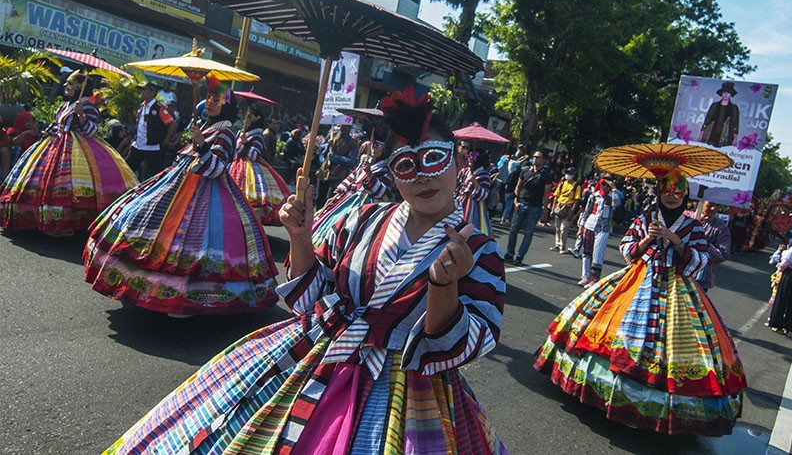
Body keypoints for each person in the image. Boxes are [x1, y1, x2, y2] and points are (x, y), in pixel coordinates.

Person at [100, 85, 507, 454]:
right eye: (405, 166)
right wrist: (299, 236)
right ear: (392, 174)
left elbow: (456, 348)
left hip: (406, 386)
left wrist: (443, 284)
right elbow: (312, 296)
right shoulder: (362, 219)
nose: (421, 177)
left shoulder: (479, 250)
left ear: (457, 159)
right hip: (317, 350)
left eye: (433, 159)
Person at [534, 169, 747, 436]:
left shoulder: (693, 226)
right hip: (638, 278)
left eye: (678, 192)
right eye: (667, 191)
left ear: (685, 196)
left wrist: (675, 240)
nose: (672, 196)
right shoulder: (647, 217)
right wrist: (648, 238)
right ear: (659, 192)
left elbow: (700, 262)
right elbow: (628, 251)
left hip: (676, 286)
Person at [85, 78, 279, 316]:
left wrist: (201, 146)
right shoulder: (208, 127)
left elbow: (217, 167)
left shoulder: (226, 134)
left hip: (206, 196)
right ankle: (139, 285)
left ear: (226, 107)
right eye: (209, 98)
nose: (210, 103)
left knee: (196, 243)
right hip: (177, 187)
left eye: (216, 100)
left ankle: (187, 298)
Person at [0, 71, 137, 235]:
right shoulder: (65, 105)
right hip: (54, 144)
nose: (66, 87)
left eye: (70, 84)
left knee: (66, 184)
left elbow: (91, 130)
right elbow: (56, 124)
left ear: (80, 87)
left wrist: (81, 114)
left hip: (78, 149)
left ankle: (64, 223)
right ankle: (41, 219)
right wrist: (43, 134)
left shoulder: (87, 106)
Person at [312, 129, 393, 247]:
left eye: (378, 145)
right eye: (372, 144)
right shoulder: (365, 162)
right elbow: (352, 178)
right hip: (350, 200)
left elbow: (383, 192)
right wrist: (337, 197)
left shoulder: (386, 169)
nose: (373, 148)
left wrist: (369, 174)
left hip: (369, 208)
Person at [228, 105, 290, 225]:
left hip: (249, 169)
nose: (245, 120)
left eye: (248, 117)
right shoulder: (242, 133)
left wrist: (245, 142)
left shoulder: (258, 136)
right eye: (245, 117)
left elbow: (253, 155)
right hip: (235, 165)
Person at [505, 150, 551, 266]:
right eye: (534, 157)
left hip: (534, 207)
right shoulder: (525, 171)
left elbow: (546, 195)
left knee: (528, 233)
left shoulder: (546, 176)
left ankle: (520, 256)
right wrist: (516, 201)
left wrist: (545, 211)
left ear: (544, 160)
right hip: (521, 204)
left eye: (539, 157)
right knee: (513, 230)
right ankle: (510, 253)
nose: (536, 159)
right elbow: (518, 187)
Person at [126, 81, 176, 181]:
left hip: (152, 148)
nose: (142, 92)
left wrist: (166, 140)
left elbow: (172, 123)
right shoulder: (141, 107)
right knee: (127, 169)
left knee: (155, 176)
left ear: (152, 92)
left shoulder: (158, 108)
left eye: (144, 90)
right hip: (138, 145)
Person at [576, 174, 620, 286]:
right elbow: (586, 211)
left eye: (608, 185)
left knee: (598, 254)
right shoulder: (594, 196)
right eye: (603, 184)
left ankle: (594, 278)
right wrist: (581, 227)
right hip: (589, 225)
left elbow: (618, 203)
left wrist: (613, 187)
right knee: (586, 252)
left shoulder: (613, 196)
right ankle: (585, 276)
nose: (605, 187)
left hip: (603, 228)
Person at [315, 123, 358, 209]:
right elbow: (321, 152)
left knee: (330, 199)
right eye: (344, 125)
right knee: (319, 197)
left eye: (348, 126)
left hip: (338, 174)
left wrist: (334, 157)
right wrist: (327, 147)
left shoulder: (352, 143)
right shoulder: (331, 136)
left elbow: (351, 161)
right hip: (324, 172)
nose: (345, 128)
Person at [767, 230, 792, 336]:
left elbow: (784, 262)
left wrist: (780, 270)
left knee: (782, 299)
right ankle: (789, 328)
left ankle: (777, 324)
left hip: (789, 274)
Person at [694, 201, 731, 291]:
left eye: (717, 205)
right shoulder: (684, 217)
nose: (713, 208)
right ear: (700, 203)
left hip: (700, 277)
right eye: (710, 205)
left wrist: (705, 244)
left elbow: (723, 254)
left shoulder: (720, 228)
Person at [456, 147, 493, 237]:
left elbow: (484, 195)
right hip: (459, 203)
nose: (469, 159)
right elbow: (456, 187)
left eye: (472, 157)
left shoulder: (484, 175)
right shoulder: (464, 171)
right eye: (469, 156)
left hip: (474, 206)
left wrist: (475, 182)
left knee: (471, 232)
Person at [550, 166, 581, 254]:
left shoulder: (576, 186)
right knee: (557, 227)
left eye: (570, 173)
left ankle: (562, 247)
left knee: (564, 228)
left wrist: (572, 211)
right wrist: (553, 209)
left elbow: (576, 200)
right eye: (567, 173)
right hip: (559, 206)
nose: (568, 175)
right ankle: (557, 245)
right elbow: (556, 197)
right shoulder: (562, 184)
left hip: (568, 207)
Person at [700, 81, 740, 148]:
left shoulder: (734, 108)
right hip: (710, 135)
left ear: (731, 94)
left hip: (726, 138)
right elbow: (707, 120)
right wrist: (701, 135)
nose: (725, 95)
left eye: (728, 93)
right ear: (721, 93)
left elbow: (735, 124)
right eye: (724, 92)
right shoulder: (714, 105)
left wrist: (735, 139)